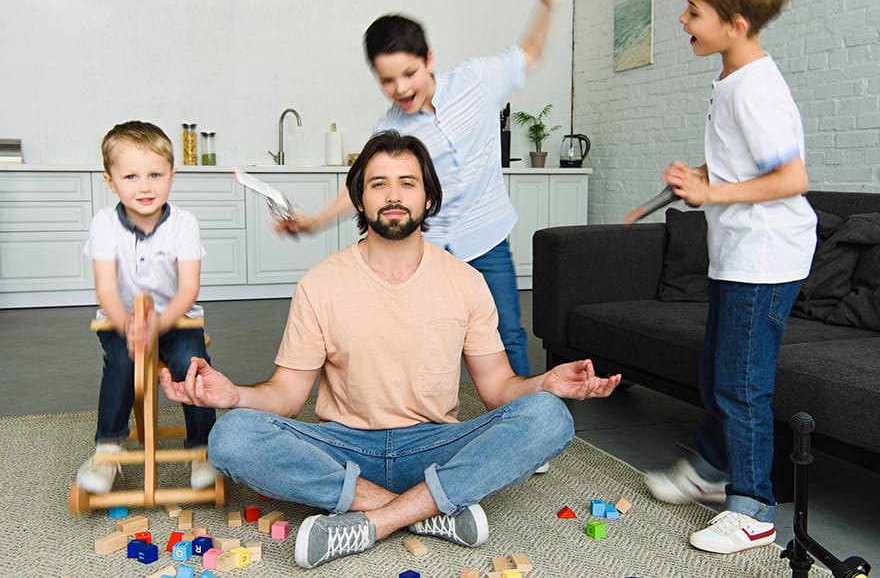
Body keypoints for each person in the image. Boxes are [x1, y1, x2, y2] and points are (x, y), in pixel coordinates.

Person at [161, 131, 621, 569]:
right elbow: (286, 396)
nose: (394, 195)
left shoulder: (466, 283)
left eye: (408, 183)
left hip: (434, 444)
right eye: (379, 184)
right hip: (343, 448)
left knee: (549, 416)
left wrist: (545, 382)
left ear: (428, 198)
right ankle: (428, 510)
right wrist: (234, 396)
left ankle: (374, 521)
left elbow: (499, 389)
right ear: (360, 200)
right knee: (232, 436)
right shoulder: (320, 283)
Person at [277, 0, 556, 377]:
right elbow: (365, 188)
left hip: (486, 240)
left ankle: (521, 421)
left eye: (409, 73)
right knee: (414, 343)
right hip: (427, 250)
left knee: (507, 336)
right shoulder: (390, 130)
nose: (400, 88)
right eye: (387, 80)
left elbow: (528, 53)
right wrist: (314, 221)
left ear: (429, 58)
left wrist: (547, 7)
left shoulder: (478, 79)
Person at [643, 0, 817, 555]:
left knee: (742, 387)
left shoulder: (755, 87)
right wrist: (701, 174)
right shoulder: (733, 78)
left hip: (764, 259)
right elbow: (752, 166)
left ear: (734, 25)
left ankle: (753, 510)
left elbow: (792, 178)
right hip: (740, 254)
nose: (682, 20)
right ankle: (713, 469)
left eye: (693, 11)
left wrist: (709, 192)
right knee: (719, 370)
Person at [76, 120, 217, 494]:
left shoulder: (184, 223)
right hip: (121, 322)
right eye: (132, 177)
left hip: (176, 321)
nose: (145, 187)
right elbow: (105, 288)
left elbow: (188, 287)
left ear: (172, 175)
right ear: (111, 181)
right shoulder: (103, 224)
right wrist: (127, 325)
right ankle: (107, 450)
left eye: (155, 175)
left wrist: (161, 323)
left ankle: (203, 448)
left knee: (192, 366)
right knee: (121, 363)